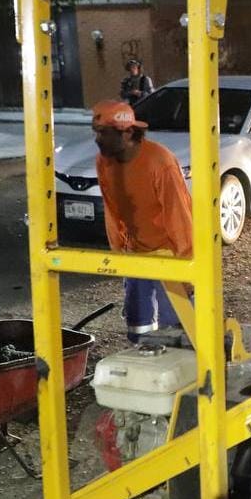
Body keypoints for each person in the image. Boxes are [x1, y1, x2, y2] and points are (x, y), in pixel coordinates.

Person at [92, 100, 193, 343]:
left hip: (167, 254)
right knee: (138, 324)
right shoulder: (105, 161)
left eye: (104, 133)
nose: (97, 139)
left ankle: (182, 369)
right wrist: (119, 254)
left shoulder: (160, 162)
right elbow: (112, 209)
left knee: (178, 327)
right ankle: (144, 364)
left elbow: (179, 216)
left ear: (127, 133)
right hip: (134, 253)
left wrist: (187, 269)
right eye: (96, 132)